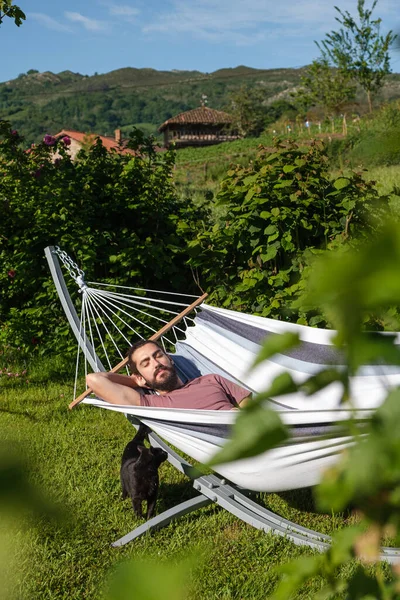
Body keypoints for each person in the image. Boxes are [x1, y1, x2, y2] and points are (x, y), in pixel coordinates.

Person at [86, 339, 251, 410]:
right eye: (146, 363)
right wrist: (136, 381)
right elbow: (94, 379)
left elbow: (246, 401)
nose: (156, 363)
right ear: (140, 376)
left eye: (158, 355)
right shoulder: (154, 404)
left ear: (170, 359)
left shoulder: (211, 379)